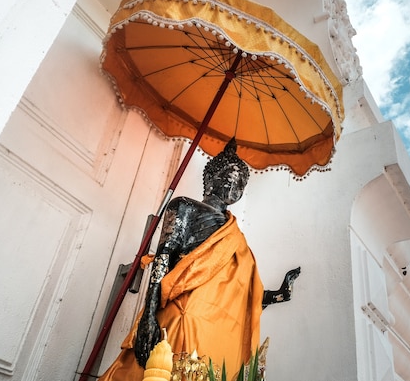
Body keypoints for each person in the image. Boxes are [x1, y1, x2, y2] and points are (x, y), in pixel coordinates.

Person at [99, 139, 299, 381]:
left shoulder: (236, 237)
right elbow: (163, 259)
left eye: (242, 182)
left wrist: (279, 293)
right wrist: (148, 317)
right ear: (212, 175)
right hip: (184, 314)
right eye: (229, 175)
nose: (235, 184)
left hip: (218, 332)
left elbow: (243, 293)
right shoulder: (184, 206)